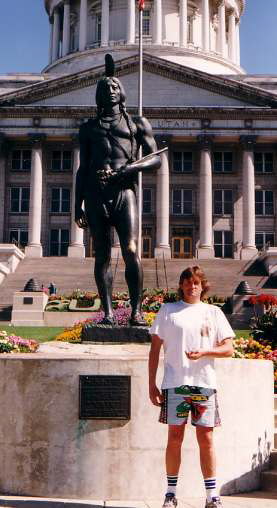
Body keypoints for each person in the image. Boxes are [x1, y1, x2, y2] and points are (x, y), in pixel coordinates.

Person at [75, 54, 161, 326]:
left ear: (121, 92)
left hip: (124, 191)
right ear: (98, 95)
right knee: (101, 253)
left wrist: (131, 169)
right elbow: (83, 167)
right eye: (104, 88)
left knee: (131, 249)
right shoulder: (89, 127)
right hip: (95, 193)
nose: (110, 91)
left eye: (114, 87)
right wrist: (77, 204)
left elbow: (156, 157)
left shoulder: (137, 123)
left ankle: (136, 311)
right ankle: (108, 313)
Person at [148, 265, 235, 508]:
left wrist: (206, 351)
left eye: (196, 282)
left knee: (206, 438)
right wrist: (151, 385)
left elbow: (228, 348)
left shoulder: (214, 312)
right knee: (174, 437)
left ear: (202, 285)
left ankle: (211, 495)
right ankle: (170, 492)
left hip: (204, 385)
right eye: (187, 281)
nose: (191, 286)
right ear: (182, 285)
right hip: (175, 385)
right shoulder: (168, 310)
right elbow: (154, 350)